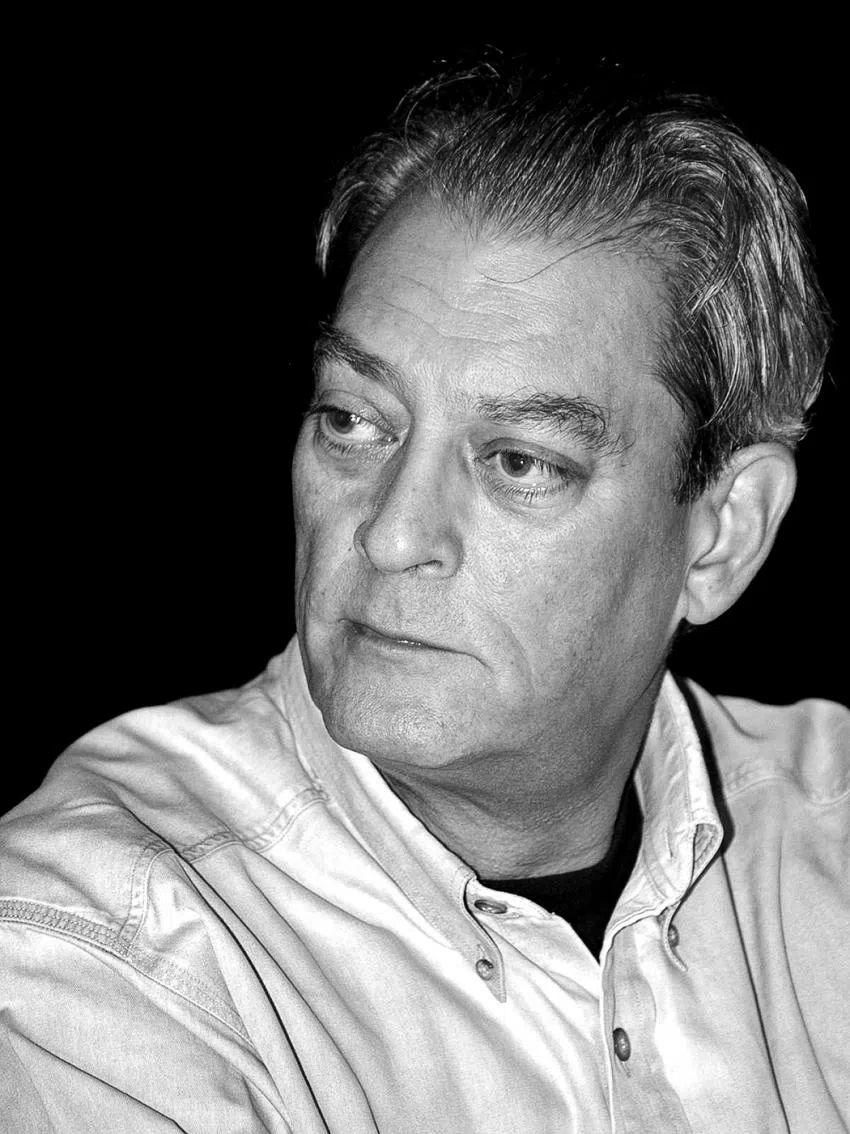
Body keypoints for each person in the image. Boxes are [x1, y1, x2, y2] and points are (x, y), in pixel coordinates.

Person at [2, 55, 847, 1133]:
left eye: (519, 461)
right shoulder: (102, 939)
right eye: (353, 420)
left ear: (721, 537)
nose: (392, 533)